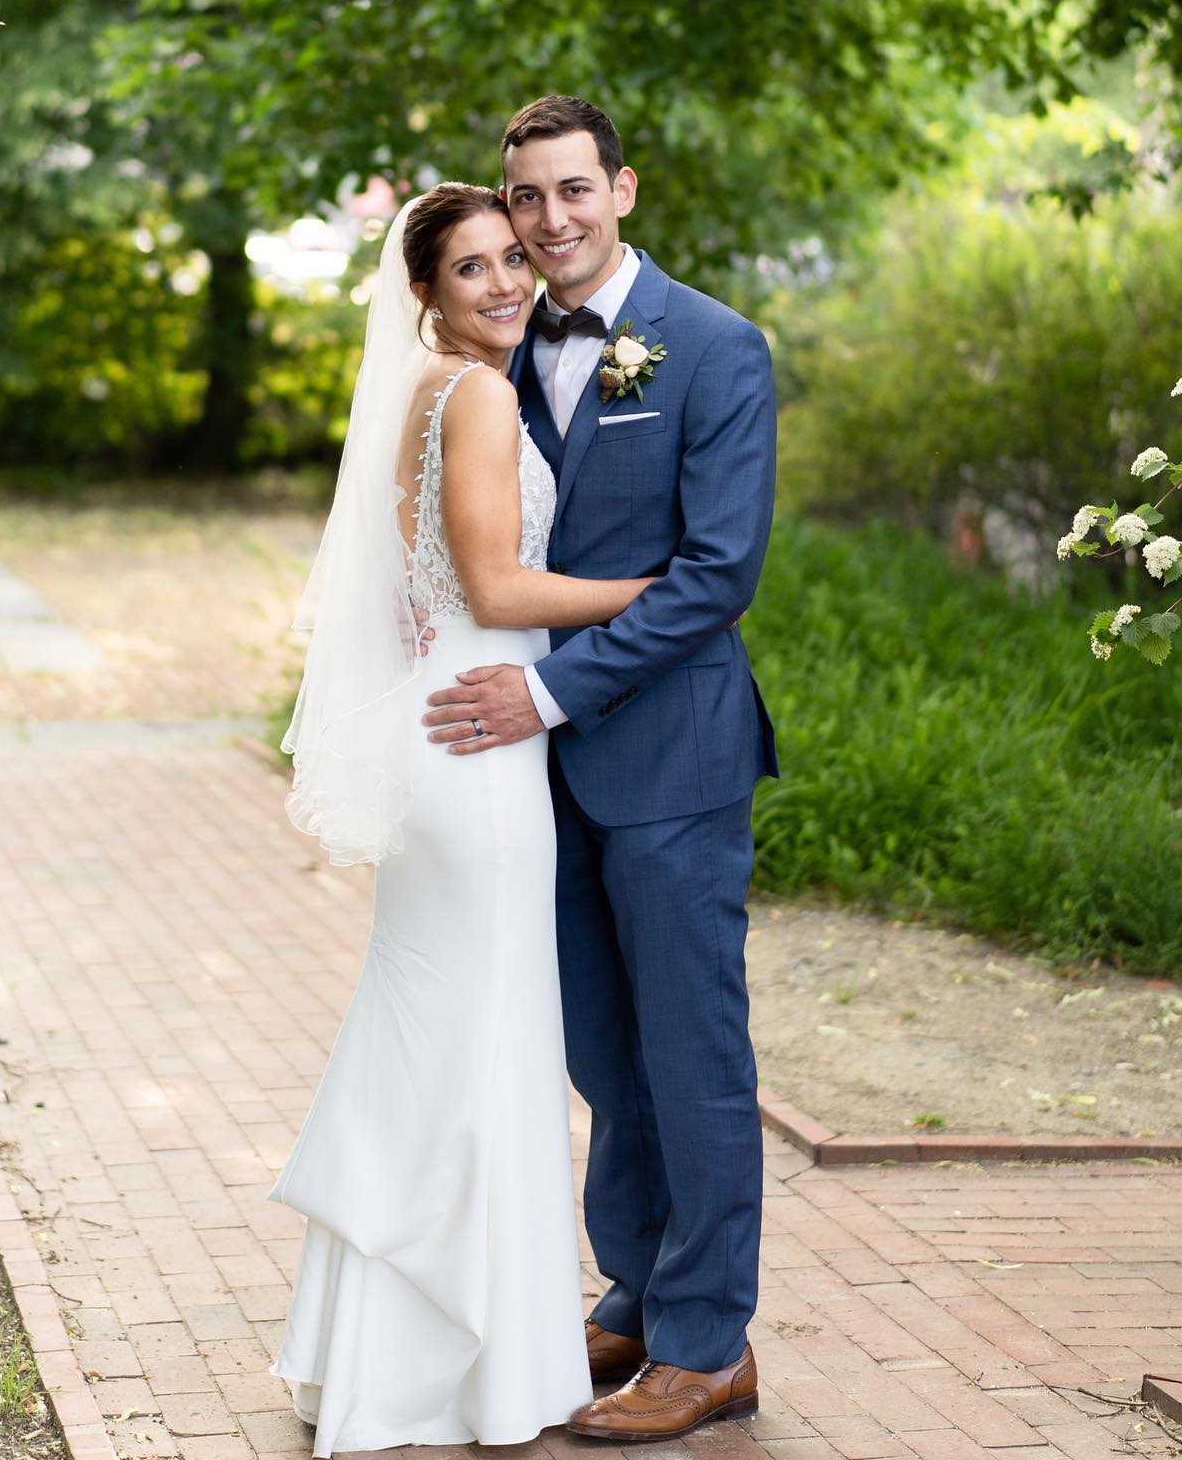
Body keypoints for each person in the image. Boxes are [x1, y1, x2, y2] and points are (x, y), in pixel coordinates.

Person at [270, 182, 659, 1456]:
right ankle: (458, 1368)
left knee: (442, 1024)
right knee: (483, 1036)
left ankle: (380, 1357)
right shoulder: (477, 395)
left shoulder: (422, 389)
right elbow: (494, 585)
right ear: (427, 291)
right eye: (473, 268)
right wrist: (655, 590)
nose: (505, 283)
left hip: (445, 724)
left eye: (510, 260)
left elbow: (421, 590)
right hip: (482, 740)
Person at [424, 96, 778, 1442]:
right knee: (605, 1058)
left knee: (693, 1056)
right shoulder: (499, 353)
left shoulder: (716, 347)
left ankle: (710, 1344)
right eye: (526, 196)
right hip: (536, 780)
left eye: (574, 190)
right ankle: (636, 1290)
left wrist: (546, 692)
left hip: (671, 759)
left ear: (622, 190)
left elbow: (717, 575)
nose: (548, 220)